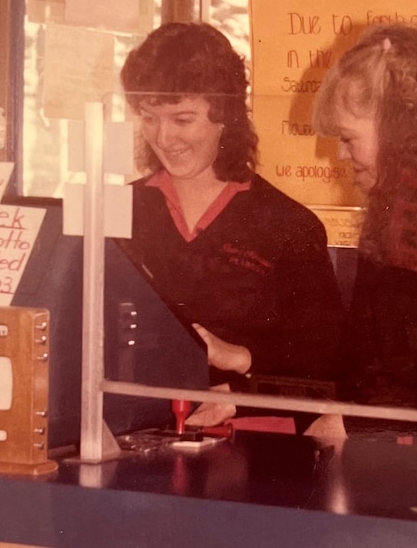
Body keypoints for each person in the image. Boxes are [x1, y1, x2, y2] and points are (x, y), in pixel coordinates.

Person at [118, 22, 344, 429]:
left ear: (226, 116)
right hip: (135, 432)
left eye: (183, 119)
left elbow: (325, 367)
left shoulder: (290, 225)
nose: (164, 137)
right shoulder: (120, 211)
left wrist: (240, 365)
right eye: (150, 118)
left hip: (252, 450)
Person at [313, 23, 417, 410]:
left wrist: (351, 424)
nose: (341, 155)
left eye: (348, 139)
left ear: (396, 133)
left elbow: (407, 374)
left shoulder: (416, 224)